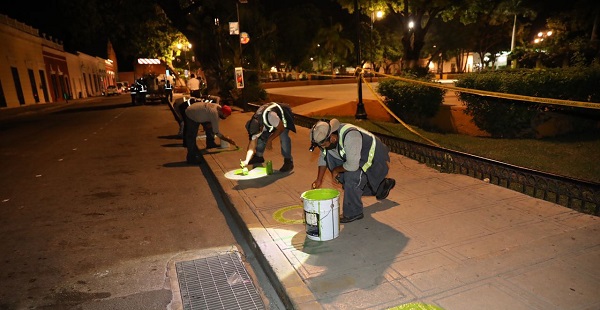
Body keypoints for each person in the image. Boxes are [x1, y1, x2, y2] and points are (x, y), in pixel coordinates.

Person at [309, 118, 396, 223]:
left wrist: (336, 170)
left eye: (323, 145)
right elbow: (323, 156)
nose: (322, 147)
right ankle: (381, 187)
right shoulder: (327, 137)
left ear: (332, 138)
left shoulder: (351, 136)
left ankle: (354, 212)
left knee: (351, 178)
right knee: (347, 183)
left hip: (372, 158)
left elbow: (352, 166)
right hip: (355, 156)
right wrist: (319, 180)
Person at [241, 102, 296, 172]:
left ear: (261, 127)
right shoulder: (253, 124)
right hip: (269, 122)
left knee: (284, 137)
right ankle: (259, 156)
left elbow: (281, 129)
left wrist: (270, 140)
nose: (255, 136)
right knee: (261, 138)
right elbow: (252, 145)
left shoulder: (271, 116)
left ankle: (288, 161)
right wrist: (246, 160)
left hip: (283, 115)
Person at [184, 99, 236, 164]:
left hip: (200, 111)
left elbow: (216, 121)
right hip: (191, 114)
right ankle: (191, 158)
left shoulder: (218, 108)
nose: (226, 118)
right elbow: (216, 132)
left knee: (210, 126)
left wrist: (209, 125)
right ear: (223, 112)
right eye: (226, 116)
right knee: (191, 136)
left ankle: (210, 144)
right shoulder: (214, 114)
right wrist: (227, 139)